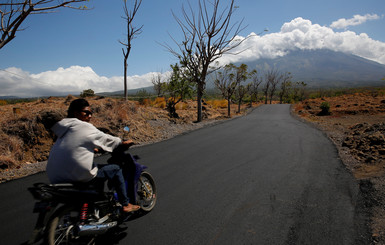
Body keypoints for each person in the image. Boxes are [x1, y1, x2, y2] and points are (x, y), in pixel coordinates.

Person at [46, 98, 140, 213]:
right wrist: (121, 142)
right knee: (115, 169)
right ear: (75, 113)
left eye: (91, 113)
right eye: (86, 112)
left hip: (55, 176)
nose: (90, 116)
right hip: (76, 174)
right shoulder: (84, 126)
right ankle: (125, 204)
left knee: (96, 168)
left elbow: (76, 144)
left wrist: (93, 148)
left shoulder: (63, 128)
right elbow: (106, 139)